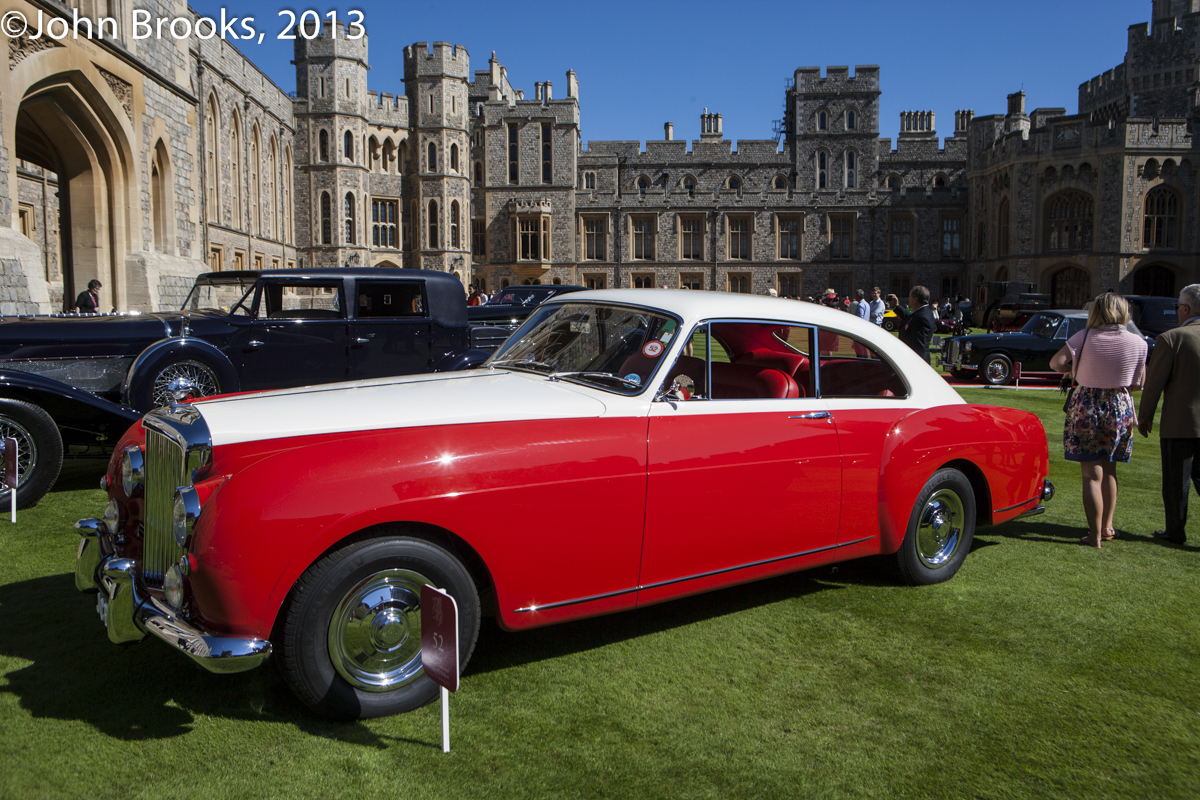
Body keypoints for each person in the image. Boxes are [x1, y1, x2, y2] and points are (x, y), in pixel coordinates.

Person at [1050, 293, 1147, 548]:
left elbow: (1055, 362)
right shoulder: (1138, 342)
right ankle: (1107, 527)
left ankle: (1094, 535)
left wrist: (1076, 371)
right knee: (1110, 468)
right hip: (1119, 406)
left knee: (1091, 474)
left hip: (1087, 405)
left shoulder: (1084, 337)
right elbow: (1137, 384)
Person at [1137, 283, 1200, 546]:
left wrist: (1145, 417)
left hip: (1180, 423)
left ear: (1185, 309)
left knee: (1177, 483)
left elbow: (1154, 385)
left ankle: (1175, 531)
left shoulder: (1172, 338)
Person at [898, 285, 935, 362]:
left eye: (910, 297)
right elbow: (910, 318)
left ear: (915, 300)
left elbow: (919, 347)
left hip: (916, 362)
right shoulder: (923, 312)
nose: (908, 299)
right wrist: (896, 306)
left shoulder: (922, 318)